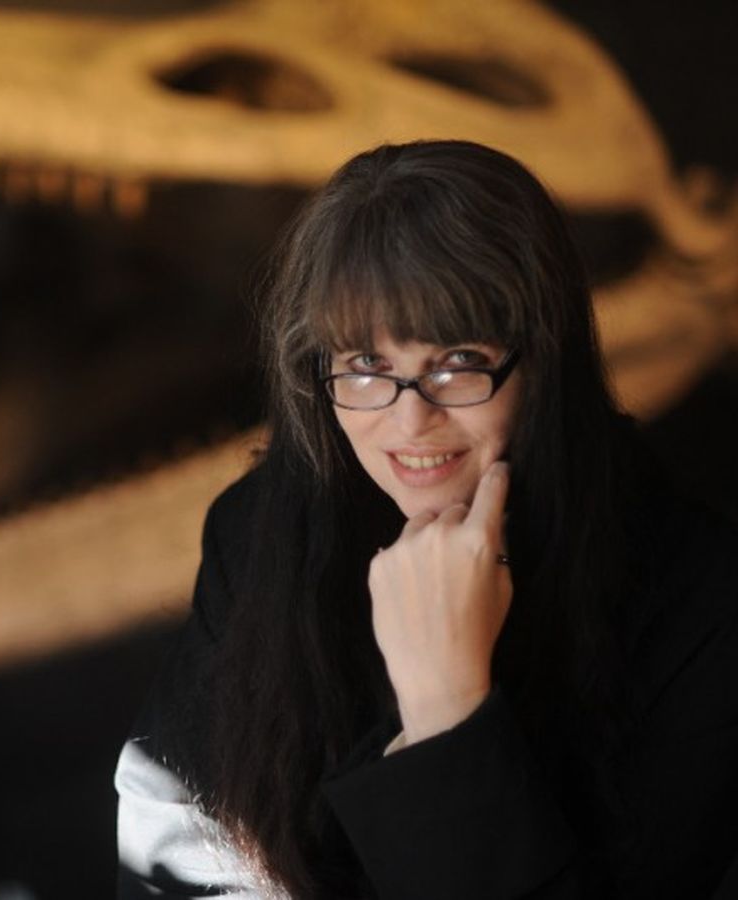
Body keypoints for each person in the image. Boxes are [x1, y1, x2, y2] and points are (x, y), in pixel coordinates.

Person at [114, 140, 738, 899]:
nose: (411, 422)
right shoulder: (258, 533)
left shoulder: (703, 597)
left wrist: (445, 706)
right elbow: (174, 844)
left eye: (457, 362)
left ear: (545, 362)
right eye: (366, 367)